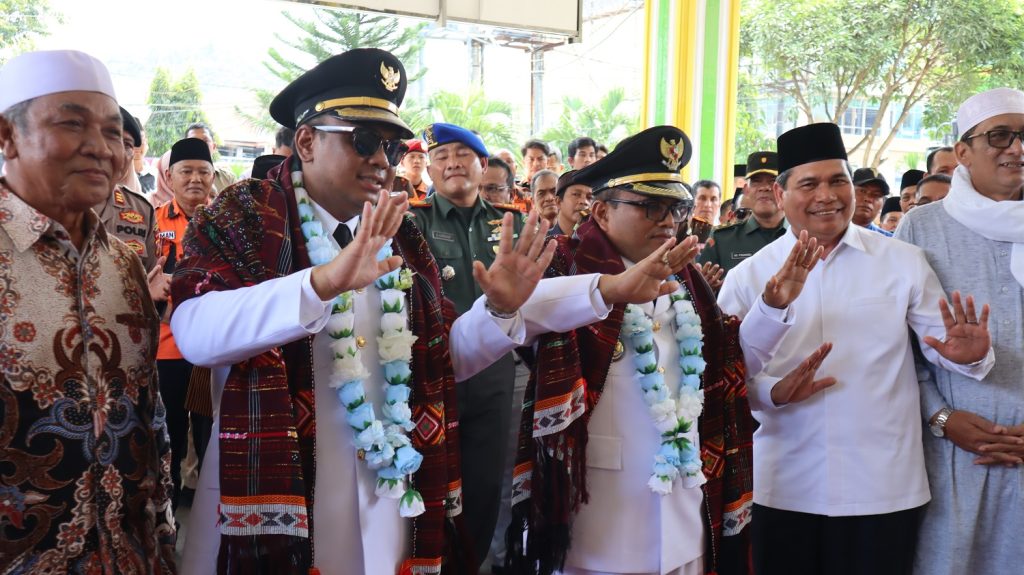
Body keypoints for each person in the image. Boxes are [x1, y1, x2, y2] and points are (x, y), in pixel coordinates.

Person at [172, 48, 669, 575]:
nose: (382, 160)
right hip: (279, 508)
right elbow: (194, 333)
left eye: (389, 145)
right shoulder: (247, 216)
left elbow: (440, 360)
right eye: (363, 140)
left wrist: (498, 310)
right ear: (307, 141)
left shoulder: (402, 236)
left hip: (391, 508)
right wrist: (322, 282)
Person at [718, 122, 995, 575]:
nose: (827, 195)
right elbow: (724, 379)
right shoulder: (750, 277)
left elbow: (941, 347)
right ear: (782, 195)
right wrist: (773, 390)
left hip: (883, 485)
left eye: (837, 181)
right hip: (783, 483)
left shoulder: (901, 261)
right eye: (809, 184)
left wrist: (969, 356)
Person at [508, 126, 762, 575]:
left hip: (685, 516)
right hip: (601, 525)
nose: (668, 221)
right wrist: (608, 289)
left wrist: (775, 310)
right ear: (602, 213)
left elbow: (724, 361)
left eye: (676, 208)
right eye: (651, 206)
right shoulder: (564, 262)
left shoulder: (688, 279)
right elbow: (515, 316)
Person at [0, 48, 175, 573]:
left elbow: (151, 415)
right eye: (72, 124)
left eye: (114, 133)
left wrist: (163, 539)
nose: (101, 149)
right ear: (6, 136)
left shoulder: (124, 263)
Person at [895, 87, 1024, 575]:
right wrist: (944, 419)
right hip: (954, 457)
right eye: (1000, 136)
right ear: (963, 152)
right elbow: (898, 353)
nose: (1017, 148)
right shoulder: (922, 229)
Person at [410, 122, 527, 567]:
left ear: (483, 164)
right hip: (430, 376)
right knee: (427, 481)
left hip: (494, 374)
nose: (452, 163)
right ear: (429, 169)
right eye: (441, 156)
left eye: (463, 154)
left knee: (484, 484)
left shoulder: (509, 225)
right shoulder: (412, 223)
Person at [155, 137, 216, 510]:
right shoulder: (153, 219)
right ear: (170, 176)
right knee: (171, 431)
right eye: (186, 171)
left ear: (213, 177)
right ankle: (170, 507)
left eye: (203, 172)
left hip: (212, 348)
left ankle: (211, 509)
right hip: (167, 348)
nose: (195, 179)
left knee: (210, 431)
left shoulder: (225, 222)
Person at [698, 151, 786, 277]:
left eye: (772, 181)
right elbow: (700, 291)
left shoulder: (802, 236)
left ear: (783, 188)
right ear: (746, 190)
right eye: (756, 181)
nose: (764, 187)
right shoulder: (722, 239)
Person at [184, 122, 236, 194]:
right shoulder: (176, 177)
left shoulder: (228, 179)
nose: (200, 145)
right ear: (185, 147)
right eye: (194, 141)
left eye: (205, 141)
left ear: (214, 147)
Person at [550, 169, 592, 236]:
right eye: (576, 194)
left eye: (589, 197)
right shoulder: (543, 241)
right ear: (558, 202)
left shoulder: (598, 243)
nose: (584, 201)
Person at [851, 167, 892, 236]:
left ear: (883, 204)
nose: (868, 199)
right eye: (862, 191)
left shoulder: (888, 242)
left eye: (876, 195)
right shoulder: (829, 233)